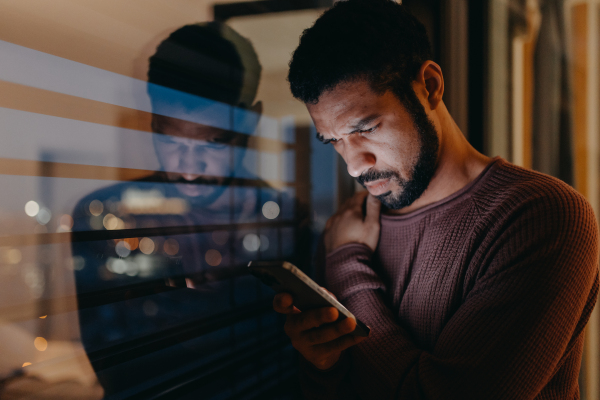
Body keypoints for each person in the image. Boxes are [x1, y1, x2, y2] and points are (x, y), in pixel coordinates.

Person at [272, 1, 600, 399]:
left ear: (429, 86)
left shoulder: (542, 215)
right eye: (334, 142)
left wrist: (348, 268)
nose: (354, 166)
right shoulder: (347, 224)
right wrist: (322, 364)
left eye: (366, 128)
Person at [71, 22, 298, 397]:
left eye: (213, 143)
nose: (189, 169)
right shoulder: (105, 215)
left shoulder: (289, 222)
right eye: (170, 139)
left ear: (250, 122)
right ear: (151, 123)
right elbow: (118, 370)